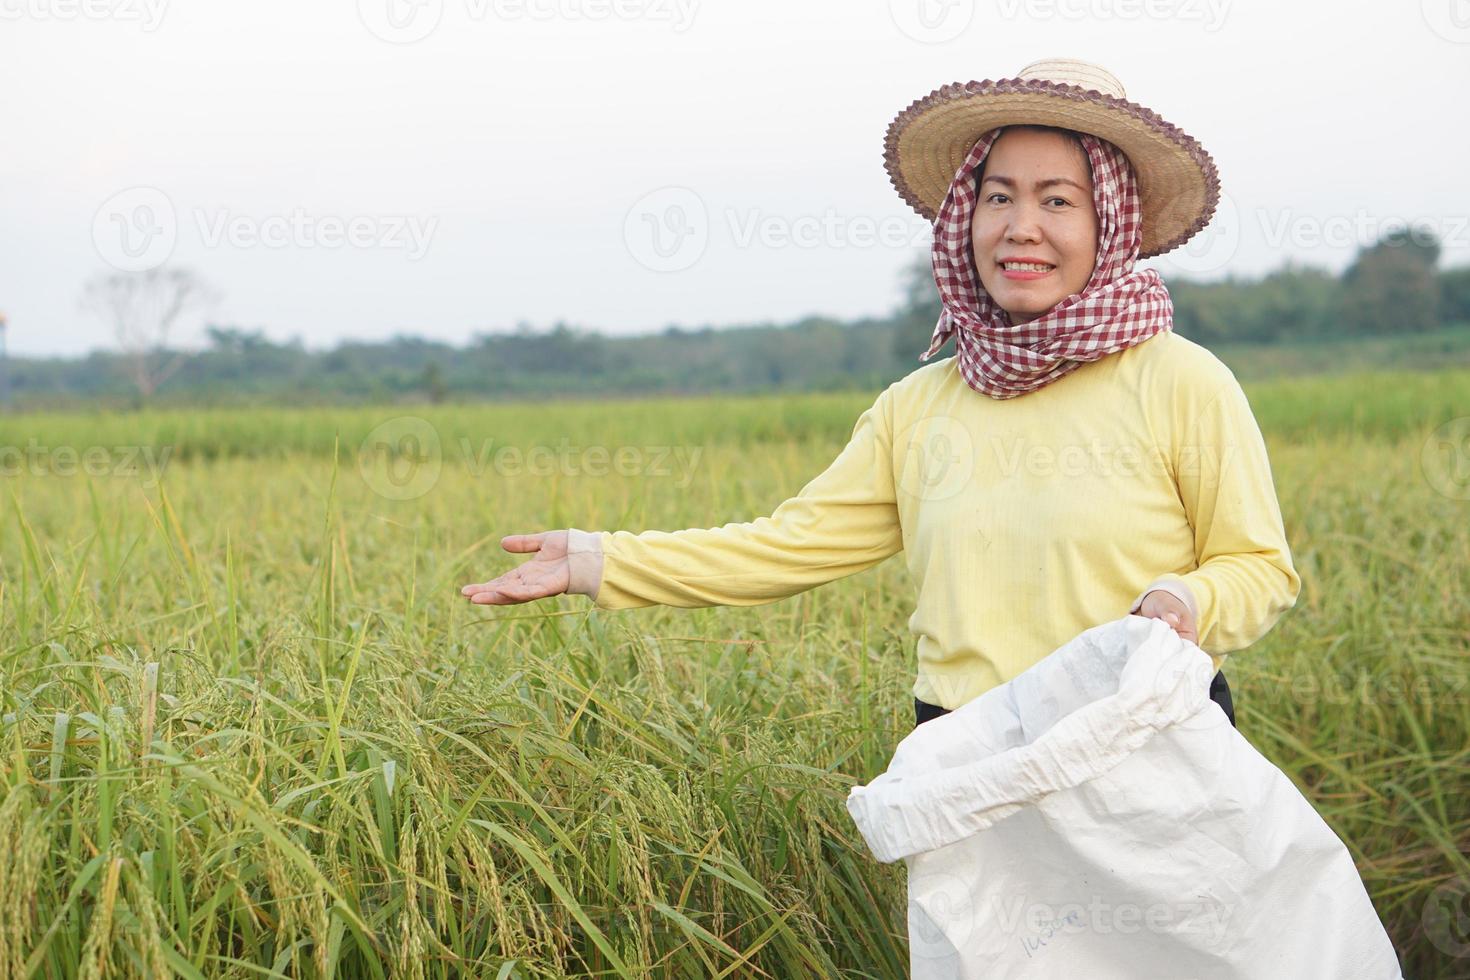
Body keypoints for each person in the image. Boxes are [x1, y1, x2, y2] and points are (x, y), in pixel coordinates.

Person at [460, 58, 1301, 732]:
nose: (1021, 228)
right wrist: (597, 560)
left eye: (1058, 201)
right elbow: (788, 544)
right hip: (964, 755)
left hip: (1144, 736)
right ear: (965, 217)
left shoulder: (1180, 381)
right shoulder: (920, 405)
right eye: (998, 197)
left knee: (1156, 952)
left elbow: (1259, 568)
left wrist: (1185, 598)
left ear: (1110, 224)